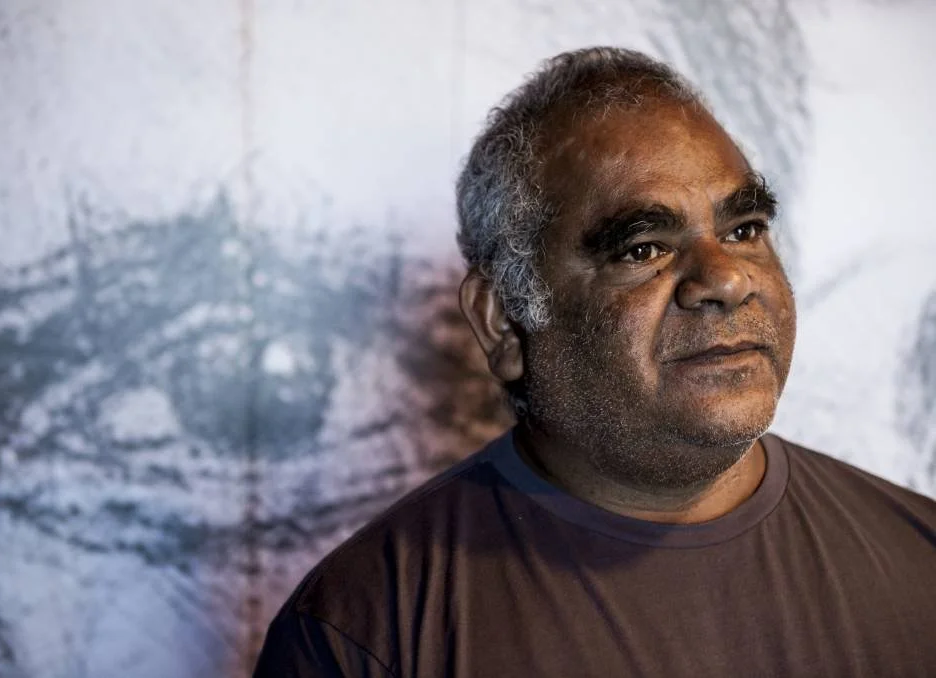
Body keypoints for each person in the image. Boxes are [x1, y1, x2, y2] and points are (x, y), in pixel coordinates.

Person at [253, 47, 936, 677]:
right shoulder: (363, 630)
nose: (727, 279)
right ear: (504, 321)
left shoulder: (919, 563)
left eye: (745, 229)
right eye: (643, 248)